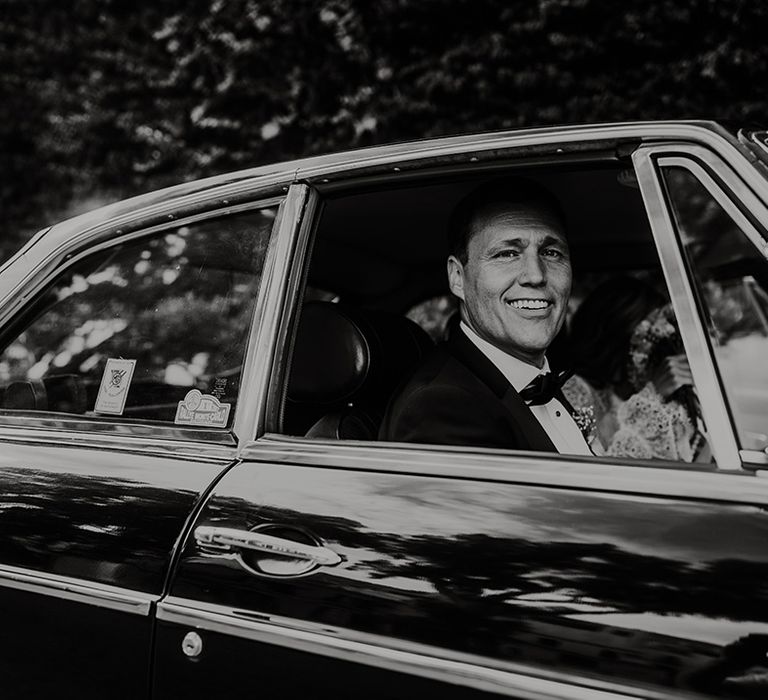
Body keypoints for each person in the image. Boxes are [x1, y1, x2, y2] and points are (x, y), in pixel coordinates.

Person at [379, 178, 593, 455]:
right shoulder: (442, 408)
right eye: (507, 253)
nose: (536, 275)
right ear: (458, 278)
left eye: (551, 252)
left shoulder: (536, 378)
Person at [563, 276, 706, 461]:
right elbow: (607, 472)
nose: (661, 344)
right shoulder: (577, 391)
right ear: (619, 332)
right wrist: (653, 397)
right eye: (652, 335)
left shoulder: (654, 387)